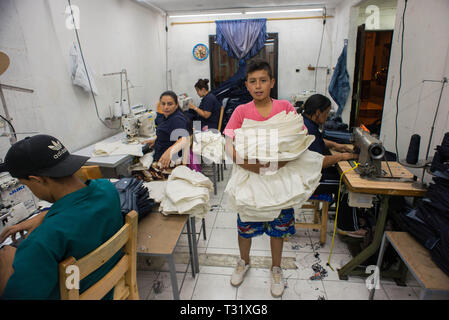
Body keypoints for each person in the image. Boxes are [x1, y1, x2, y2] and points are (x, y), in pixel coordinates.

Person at [0, 134, 123, 299]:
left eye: (26, 185)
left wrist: (8, 263)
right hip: (109, 285)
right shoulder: (107, 189)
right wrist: (45, 215)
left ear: (36, 180)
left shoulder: (43, 238)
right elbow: (77, 208)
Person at [223, 59, 296, 298]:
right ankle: (244, 261)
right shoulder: (241, 112)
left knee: (278, 227)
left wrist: (277, 164)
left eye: (263, 80)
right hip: (250, 179)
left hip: (278, 179)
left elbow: (297, 140)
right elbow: (229, 144)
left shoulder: (285, 108)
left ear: (272, 82)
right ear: (246, 85)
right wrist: (249, 165)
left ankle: (276, 268)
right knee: (245, 225)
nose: (258, 86)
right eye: (253, 81)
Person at [301, 94, 366, 238]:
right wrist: (343, 156)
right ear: (318, 112)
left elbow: (316, 142)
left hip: (306, 173)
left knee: (342, 175)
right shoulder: (308, 128)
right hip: (307, 180)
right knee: (346, 182)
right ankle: (347, 226)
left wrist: (336, 145)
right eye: (326, 113)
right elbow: (319, 161)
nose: (327, 117)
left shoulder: (306, 122)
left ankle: (351, 216)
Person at [143, 91, 190, 170]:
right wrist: (156, 140)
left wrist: (169, 152)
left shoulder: (177, 119)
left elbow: (184, 139)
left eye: (169, 104)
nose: (166, 107)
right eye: (163, 104)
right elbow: (169, 134)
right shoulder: (167, 117)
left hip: (167, 166)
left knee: (133, 172)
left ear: (176, 105)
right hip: (163, 160)